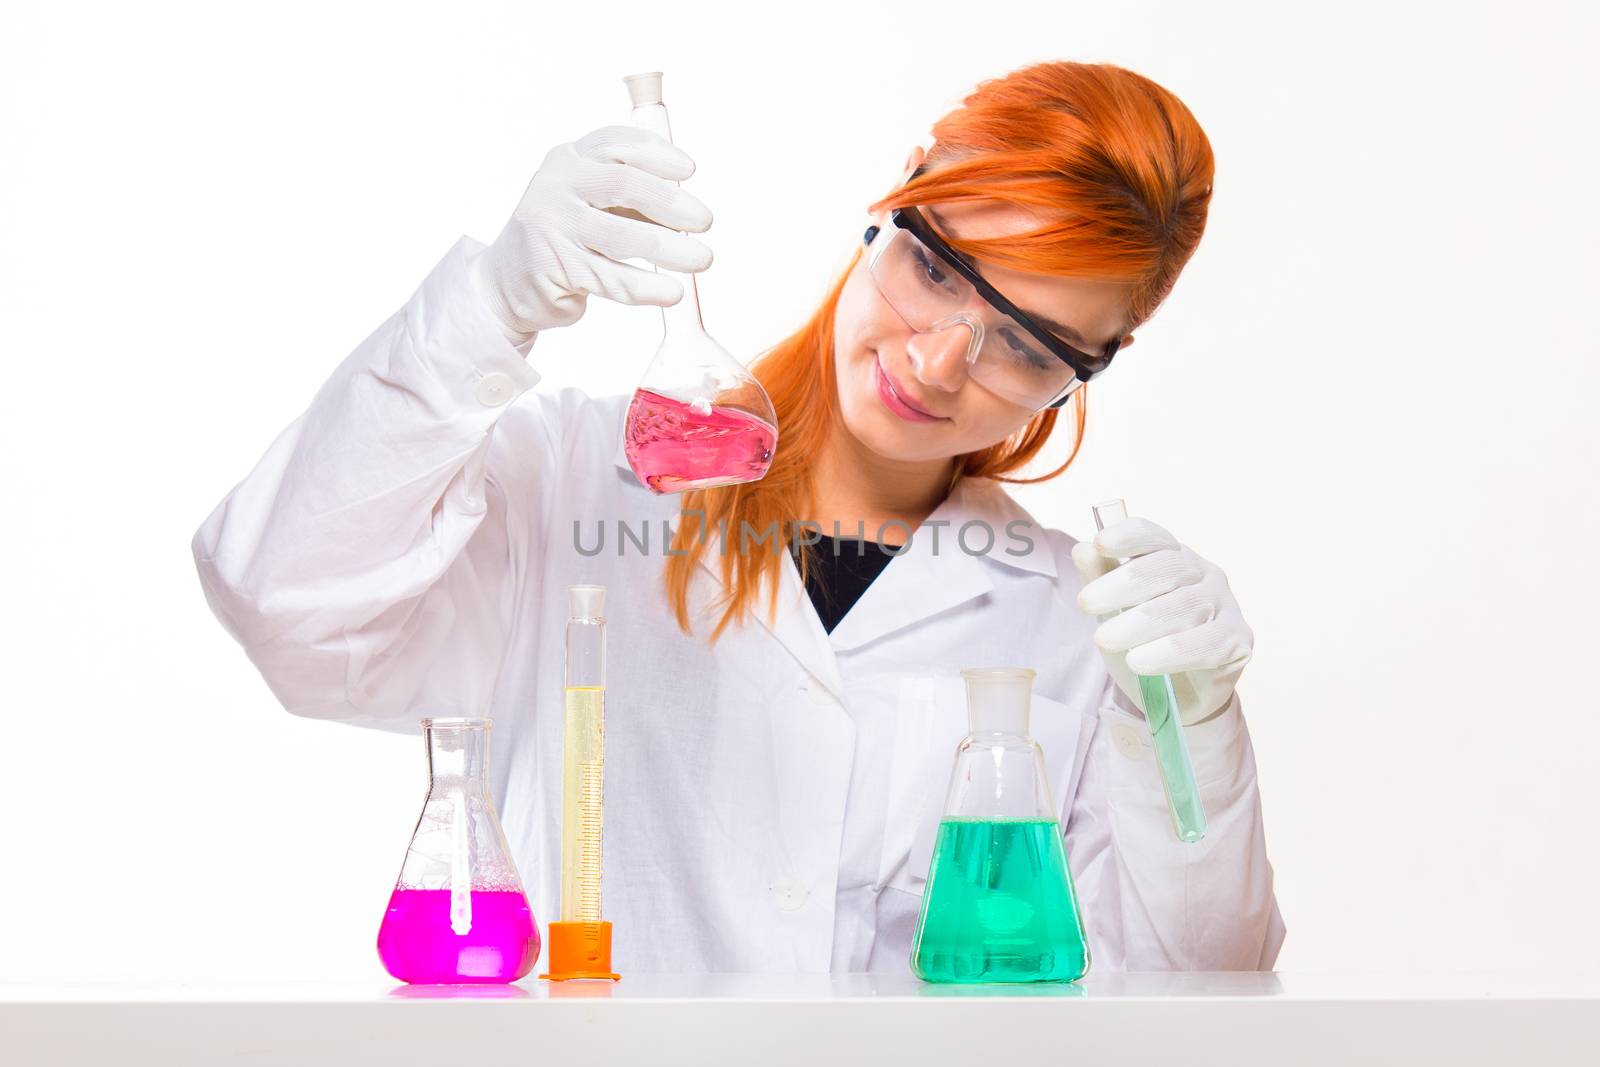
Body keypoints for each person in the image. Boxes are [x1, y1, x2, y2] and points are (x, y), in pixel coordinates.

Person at [193, 60, 1284, 973]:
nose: (941, 360)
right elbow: (287, 606)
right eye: (941, 266)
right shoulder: (570, 479)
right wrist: (484, 312)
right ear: (899, 194)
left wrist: (1185, 727)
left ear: (1088, 368)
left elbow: (1193, 993)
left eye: (1030, 347)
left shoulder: (1067, 622)